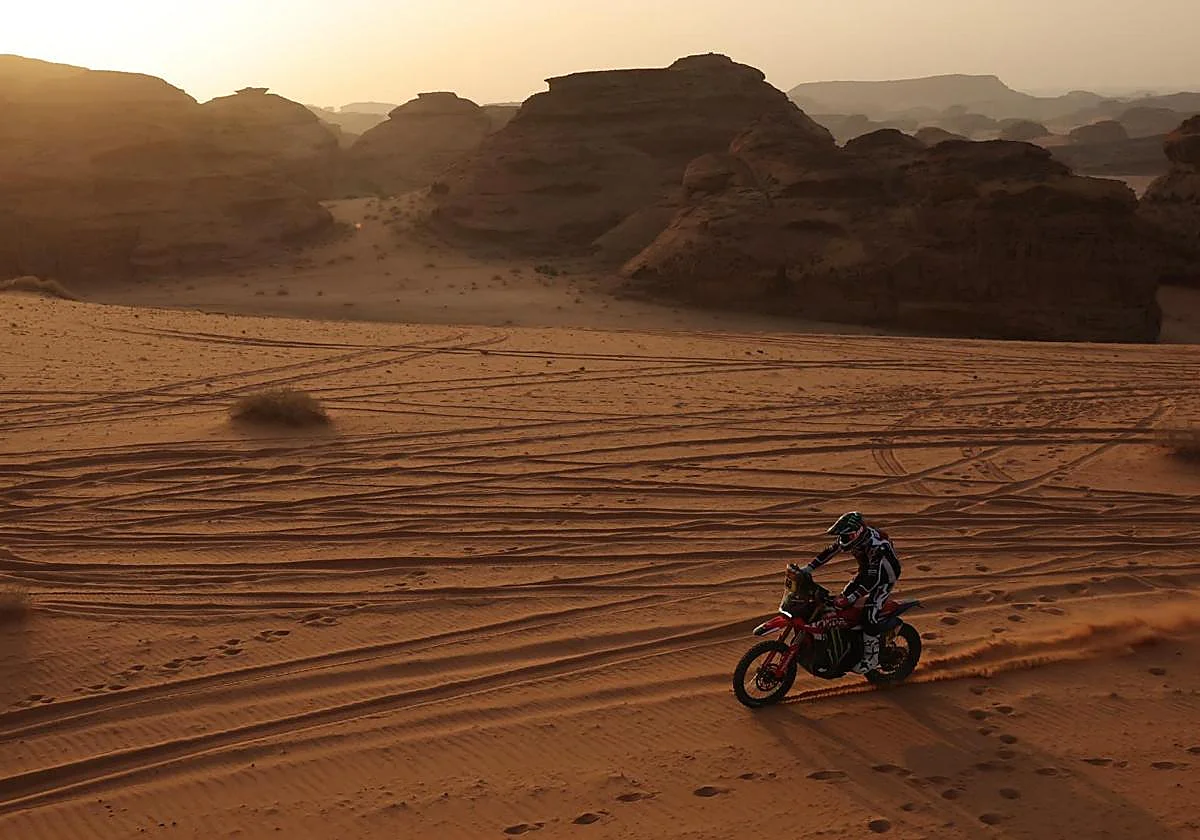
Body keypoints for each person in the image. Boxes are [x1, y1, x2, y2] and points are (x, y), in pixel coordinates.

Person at [798, 511, 902, 674]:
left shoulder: (876, 546)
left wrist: (853, 597)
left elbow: (873, 580)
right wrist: (808, 568)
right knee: (840, 605)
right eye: (842, 536)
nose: (843, 539)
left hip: (885, 578)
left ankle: (871, 658)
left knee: (870, 614)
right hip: (866, 572)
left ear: (857, 533)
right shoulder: (853, 538)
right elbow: (830, 551)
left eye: (846, 536)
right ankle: (850, 644)